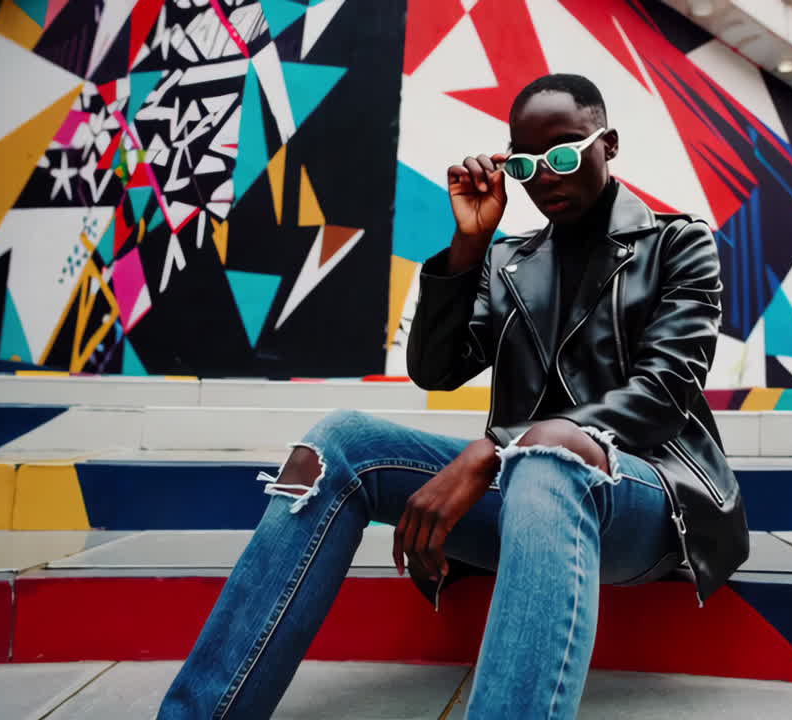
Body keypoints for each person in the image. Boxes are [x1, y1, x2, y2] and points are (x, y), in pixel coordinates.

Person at [157, 74, 748, 719]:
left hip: (651, 499)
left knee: (548, 455)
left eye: (564, 152)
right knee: (339, 445)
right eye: (524, 163)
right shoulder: (509, 261)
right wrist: (469, 246)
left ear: (608, 144)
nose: (544, 176)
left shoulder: (677, 244)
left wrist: (496, 450)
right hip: (526, 493)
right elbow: (436, 370)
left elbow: (662, 394)